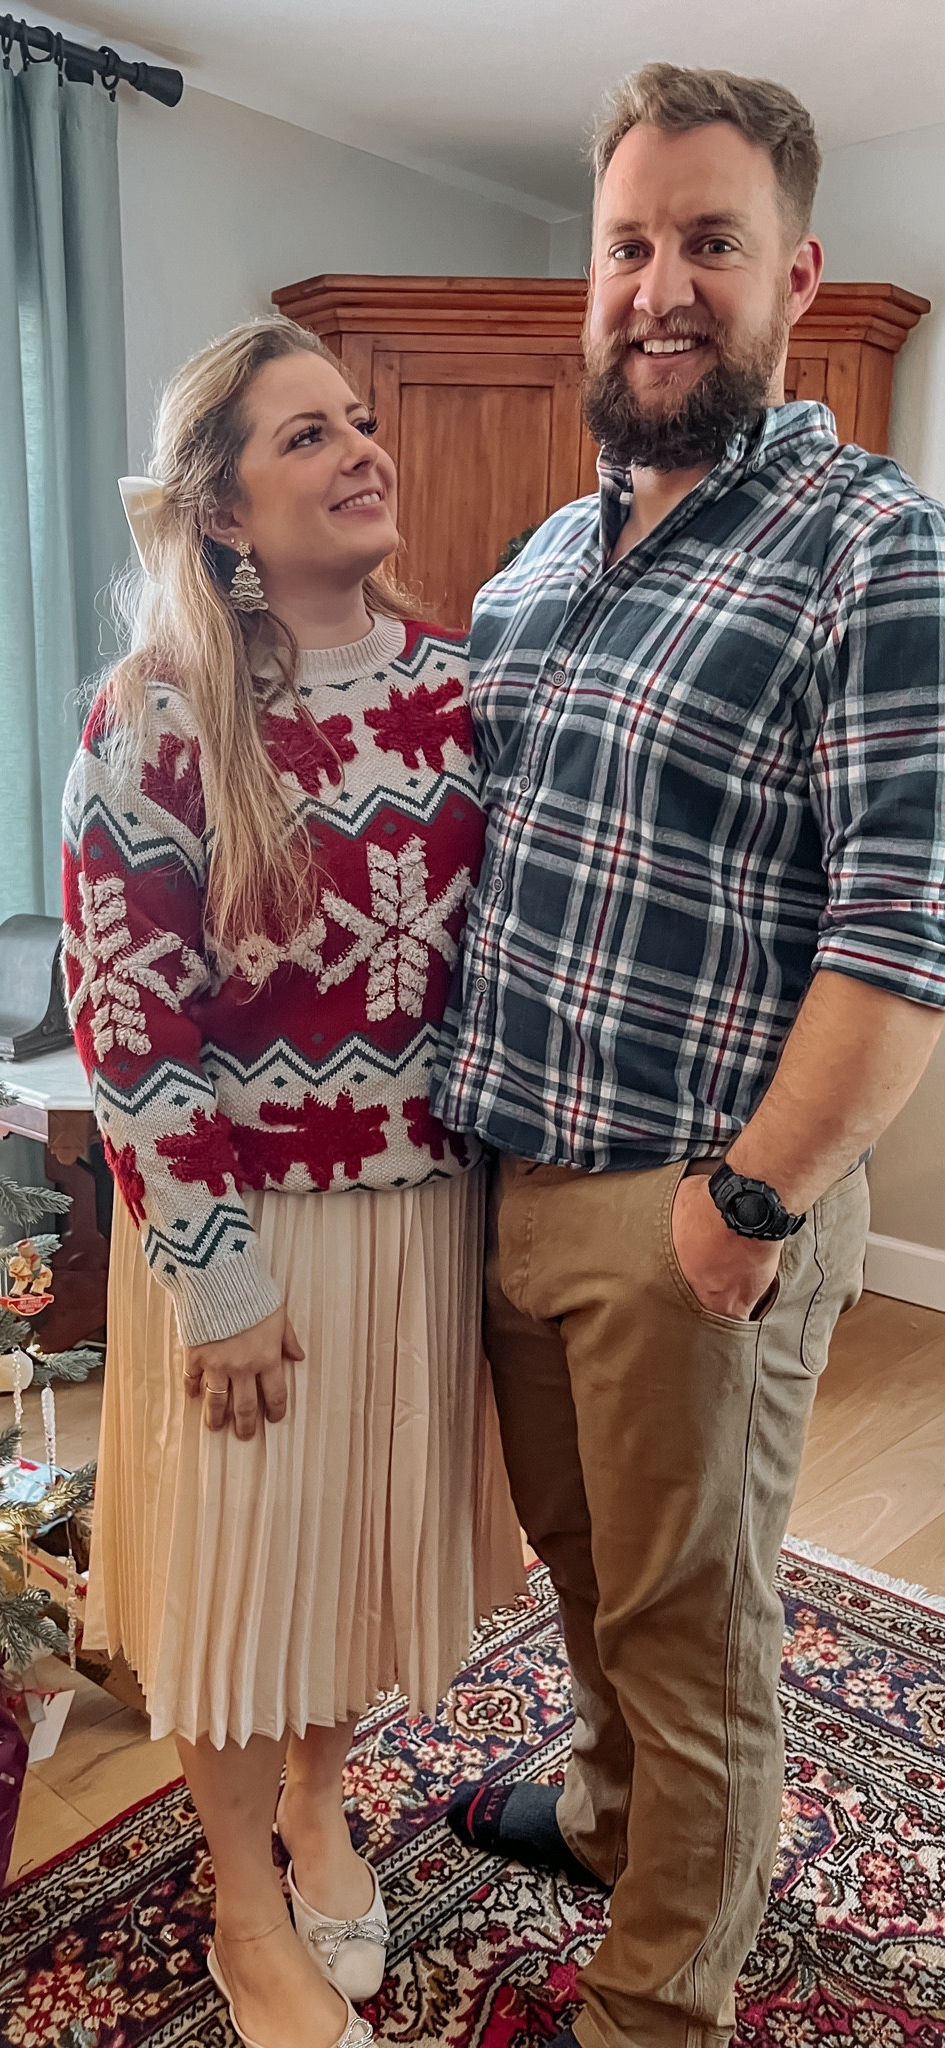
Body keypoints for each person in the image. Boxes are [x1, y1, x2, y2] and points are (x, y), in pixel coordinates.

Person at [431, 61, 945, 2048]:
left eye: (708, 243)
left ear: (792, 275)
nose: (660, 283)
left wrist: (747, 1206)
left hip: (695, 1204)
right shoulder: (536, 572)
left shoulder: (870, 545)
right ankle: (605, 1806)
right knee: (584, 1577)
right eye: (630, 241)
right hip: (516, 1186)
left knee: (696, 1623)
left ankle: (661, 2001)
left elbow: (903, 928)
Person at [62, 315, 525, 2048]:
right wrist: (220, 1277)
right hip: (245, 1232)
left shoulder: (459, 685)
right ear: (229, 509)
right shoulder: (161, 712)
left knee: (347, 1561)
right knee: (241, 1580)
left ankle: (321, 1799)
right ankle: (240, 1905)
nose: (361, 452)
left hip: (423, 1217)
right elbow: (126, 1016)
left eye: (360, 421)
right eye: (308, 437)